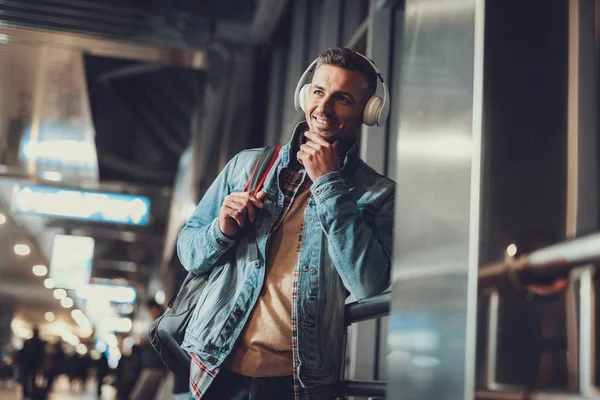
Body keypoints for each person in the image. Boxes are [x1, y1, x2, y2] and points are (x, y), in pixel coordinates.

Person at [177, 47, 394, 399]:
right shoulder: (247, 166)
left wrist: (328, 185)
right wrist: (221, 229)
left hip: (295, 383)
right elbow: (188, 252)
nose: (323, 108)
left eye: (342, 99)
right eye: (319, 92)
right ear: (305, 94)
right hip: (213, 369)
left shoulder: (378, 194)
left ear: (368, 111)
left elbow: (368, 282)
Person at [129, 300, 168, 400]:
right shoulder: (160, 320)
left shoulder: (162, 320)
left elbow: (161, 341)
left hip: (155, 365)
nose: (150, 313)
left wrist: (146, 341)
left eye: (150, 310)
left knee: (139, 396)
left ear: (155, 308)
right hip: (153, 365)